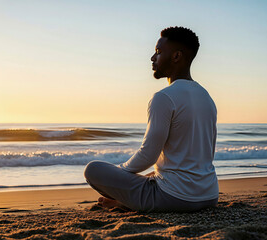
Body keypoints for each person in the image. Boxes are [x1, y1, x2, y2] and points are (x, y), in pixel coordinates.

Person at [84, 26, 219, 212]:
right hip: (209, 196)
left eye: (158, 52)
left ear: (176, 57)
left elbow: (148, 156)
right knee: (155, 175)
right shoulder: (207, 97)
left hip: (174, 198)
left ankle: (126, 200)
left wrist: (118, 174)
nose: (152, 58)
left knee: (93, 170)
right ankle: (126, 199)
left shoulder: (164, 97)